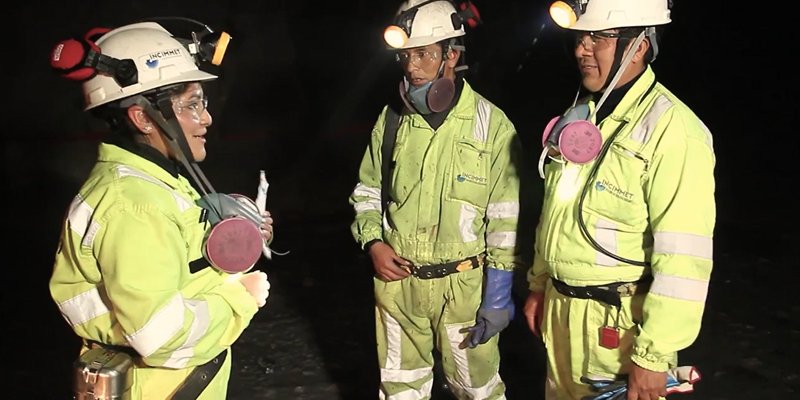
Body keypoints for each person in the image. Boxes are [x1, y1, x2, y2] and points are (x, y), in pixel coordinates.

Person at [48, 20, 273, 399]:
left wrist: (233, 234)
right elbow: (162, 337)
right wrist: (241, 298)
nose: (206, 118)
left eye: (203, 103)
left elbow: (182, 266)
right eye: (192, 105)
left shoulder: (156, 181)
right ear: (142, 117)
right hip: (159, 387)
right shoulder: (134, 204)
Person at [523, 0, 716, 399]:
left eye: (599, 37)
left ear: (639, 46)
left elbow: (684, 259)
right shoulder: (582, 118)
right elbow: (557, 211)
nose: (582, 48)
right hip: (561, 313)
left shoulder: (674, 131)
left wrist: (653, 356)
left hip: (619, 327)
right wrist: (541, 284)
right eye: (581, 36)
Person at [348, 1, 523, 398]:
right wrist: (373, 242)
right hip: (399, 287)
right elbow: (367, 190)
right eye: (405, 56)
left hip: (463, 290)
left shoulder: (492, 125)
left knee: (478, 391)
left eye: (424, 54)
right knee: (401, 390)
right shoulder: (391, 120)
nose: (412, 67)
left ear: (452, 55)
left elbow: (505, 219)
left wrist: (497, 295)